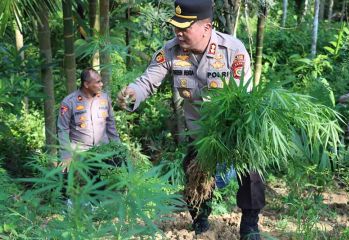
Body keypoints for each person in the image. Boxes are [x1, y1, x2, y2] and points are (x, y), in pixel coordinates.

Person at [117, 0, 265, 239]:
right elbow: (147, 81)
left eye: (185, 27)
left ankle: (250, 224)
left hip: (232, 132)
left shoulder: (233, 50)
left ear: (206, 27)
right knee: (193, 171)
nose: (178, 32)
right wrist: (132, 94)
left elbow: (240, 100)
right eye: (176, 26)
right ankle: (200, 220)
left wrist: (225, 156)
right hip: (199, 133)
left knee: (251, 172)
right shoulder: (171, 49)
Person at [57, 68, 120, 172]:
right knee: (81, 186)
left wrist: (118, 147)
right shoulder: (69, 102)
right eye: (98, 82)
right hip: (80, 155)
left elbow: (111, 125)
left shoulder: (104, 98)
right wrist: (66, 155)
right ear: (86, 84)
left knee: (104, 185)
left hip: (103, 152)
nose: (102, 84)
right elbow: (62, 129)